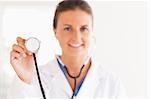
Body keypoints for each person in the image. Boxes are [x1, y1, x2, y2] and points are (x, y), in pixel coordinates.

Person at [7, 0, 126, 99]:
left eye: (84, 29)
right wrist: (26, 80)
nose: (76, 37)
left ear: (92, 32)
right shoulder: (36, 78)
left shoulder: (111, 83)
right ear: (55, 31)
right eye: (68, 28)